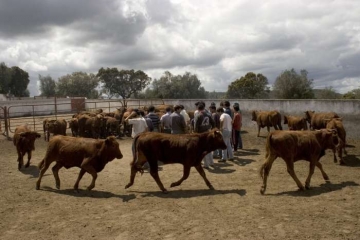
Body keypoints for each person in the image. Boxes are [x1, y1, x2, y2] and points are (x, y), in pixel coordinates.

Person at [194, 102, 215, 169]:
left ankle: (206, 164)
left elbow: (196, 127)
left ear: (198, 108)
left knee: (203, 149)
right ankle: (211, 162)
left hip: (201, 134)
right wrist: (211, 129)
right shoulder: (208, 114)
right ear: (203, 108)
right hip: (208, 132)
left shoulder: (198, 115)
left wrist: (195, 133)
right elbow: (213, 123)